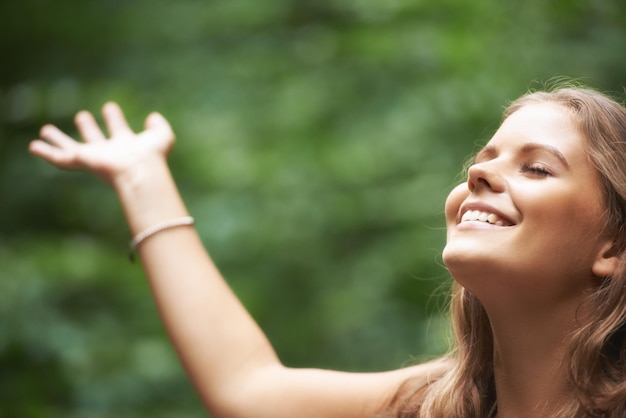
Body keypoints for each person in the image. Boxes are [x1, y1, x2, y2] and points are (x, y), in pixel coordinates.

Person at [29, 85, 626, 418]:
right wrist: (141, 177)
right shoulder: (439, 405)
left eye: (537, 168)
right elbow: (249, 389)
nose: (480, 175)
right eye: (484, 159)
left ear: (613, 247)